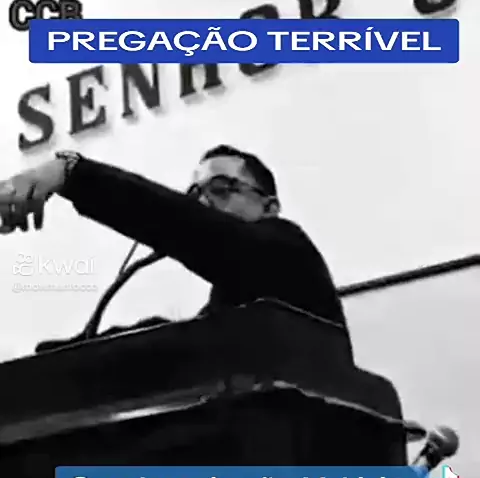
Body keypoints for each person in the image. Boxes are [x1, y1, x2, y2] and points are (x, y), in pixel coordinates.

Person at [0, 145, 348, 350]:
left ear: (269, 207)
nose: (203, 203)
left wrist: (72, 173)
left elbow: (202, 230)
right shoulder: (226, 306)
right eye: (194, 195)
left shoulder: (290, 251)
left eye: (221, 189)